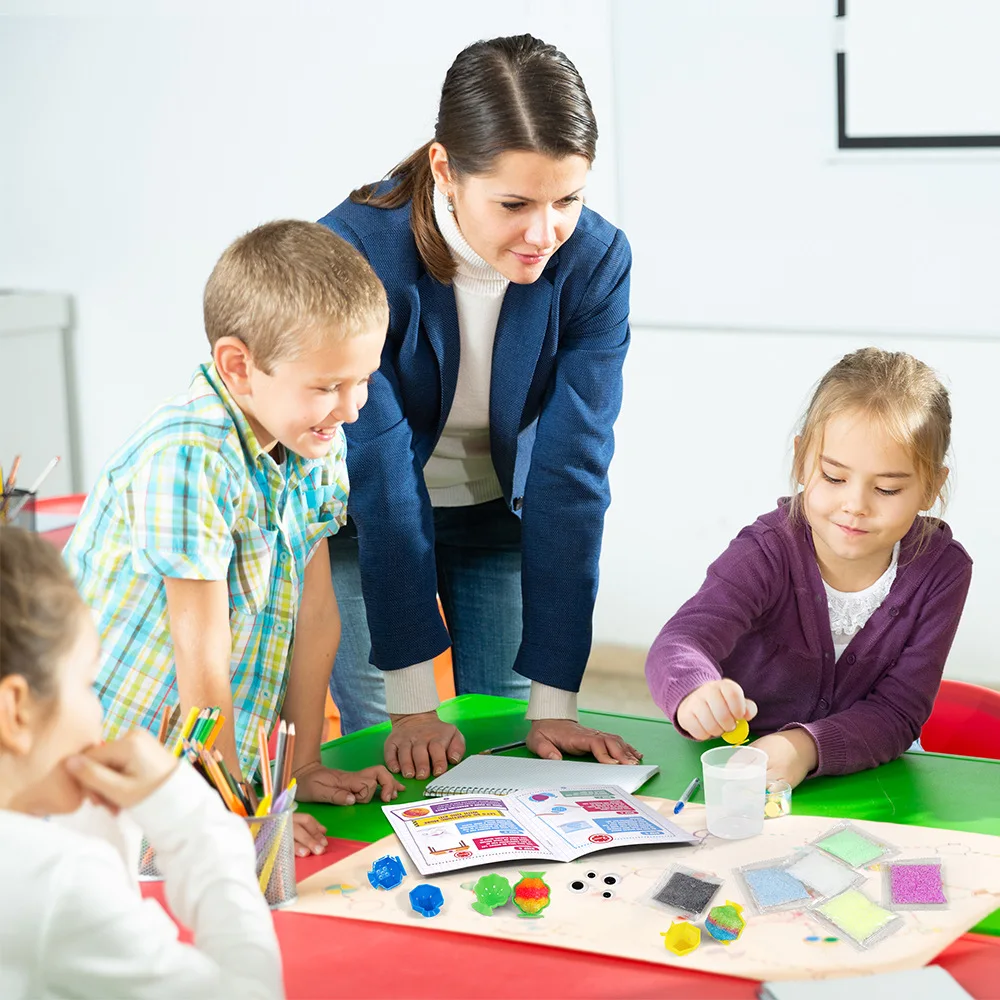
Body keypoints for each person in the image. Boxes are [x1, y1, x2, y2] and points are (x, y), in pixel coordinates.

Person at [318, 34, 642, 780]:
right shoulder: (355, 250)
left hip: (495, 505)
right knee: (392, 744)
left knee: (503, 739)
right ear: (446, 169)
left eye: (568, 200)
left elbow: (573, 472)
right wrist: (410, 698)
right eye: (515, 203)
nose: (544, 233)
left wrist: (556, 701)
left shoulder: (595, 260)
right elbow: (380, 463)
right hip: (366, 515)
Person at [63, 221, 404, 856]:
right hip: (103, 770)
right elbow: (203, 651)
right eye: (329, 386)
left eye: (364, 379)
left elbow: (316, 613)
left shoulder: (315, 443)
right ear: (239, 366)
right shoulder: (190, 452)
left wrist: (300, 765)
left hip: (209, 761)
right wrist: (223, 808)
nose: (353, 407)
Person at [645, 348, 972, 788]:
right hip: (741, 772)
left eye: (887, 488)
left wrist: (805, 747)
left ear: (930, 487)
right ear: (802, 460)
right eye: (834, 478)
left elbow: (899, 711)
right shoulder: (766, 552)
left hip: (869, 774)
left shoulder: (941, 571)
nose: (855, 505)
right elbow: (681, 642)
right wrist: (693, 690)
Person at [0, 526, 283, 998]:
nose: (99, 713)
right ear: (16, 710)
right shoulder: (58, 882)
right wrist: (194, 818)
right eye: (88, 683)